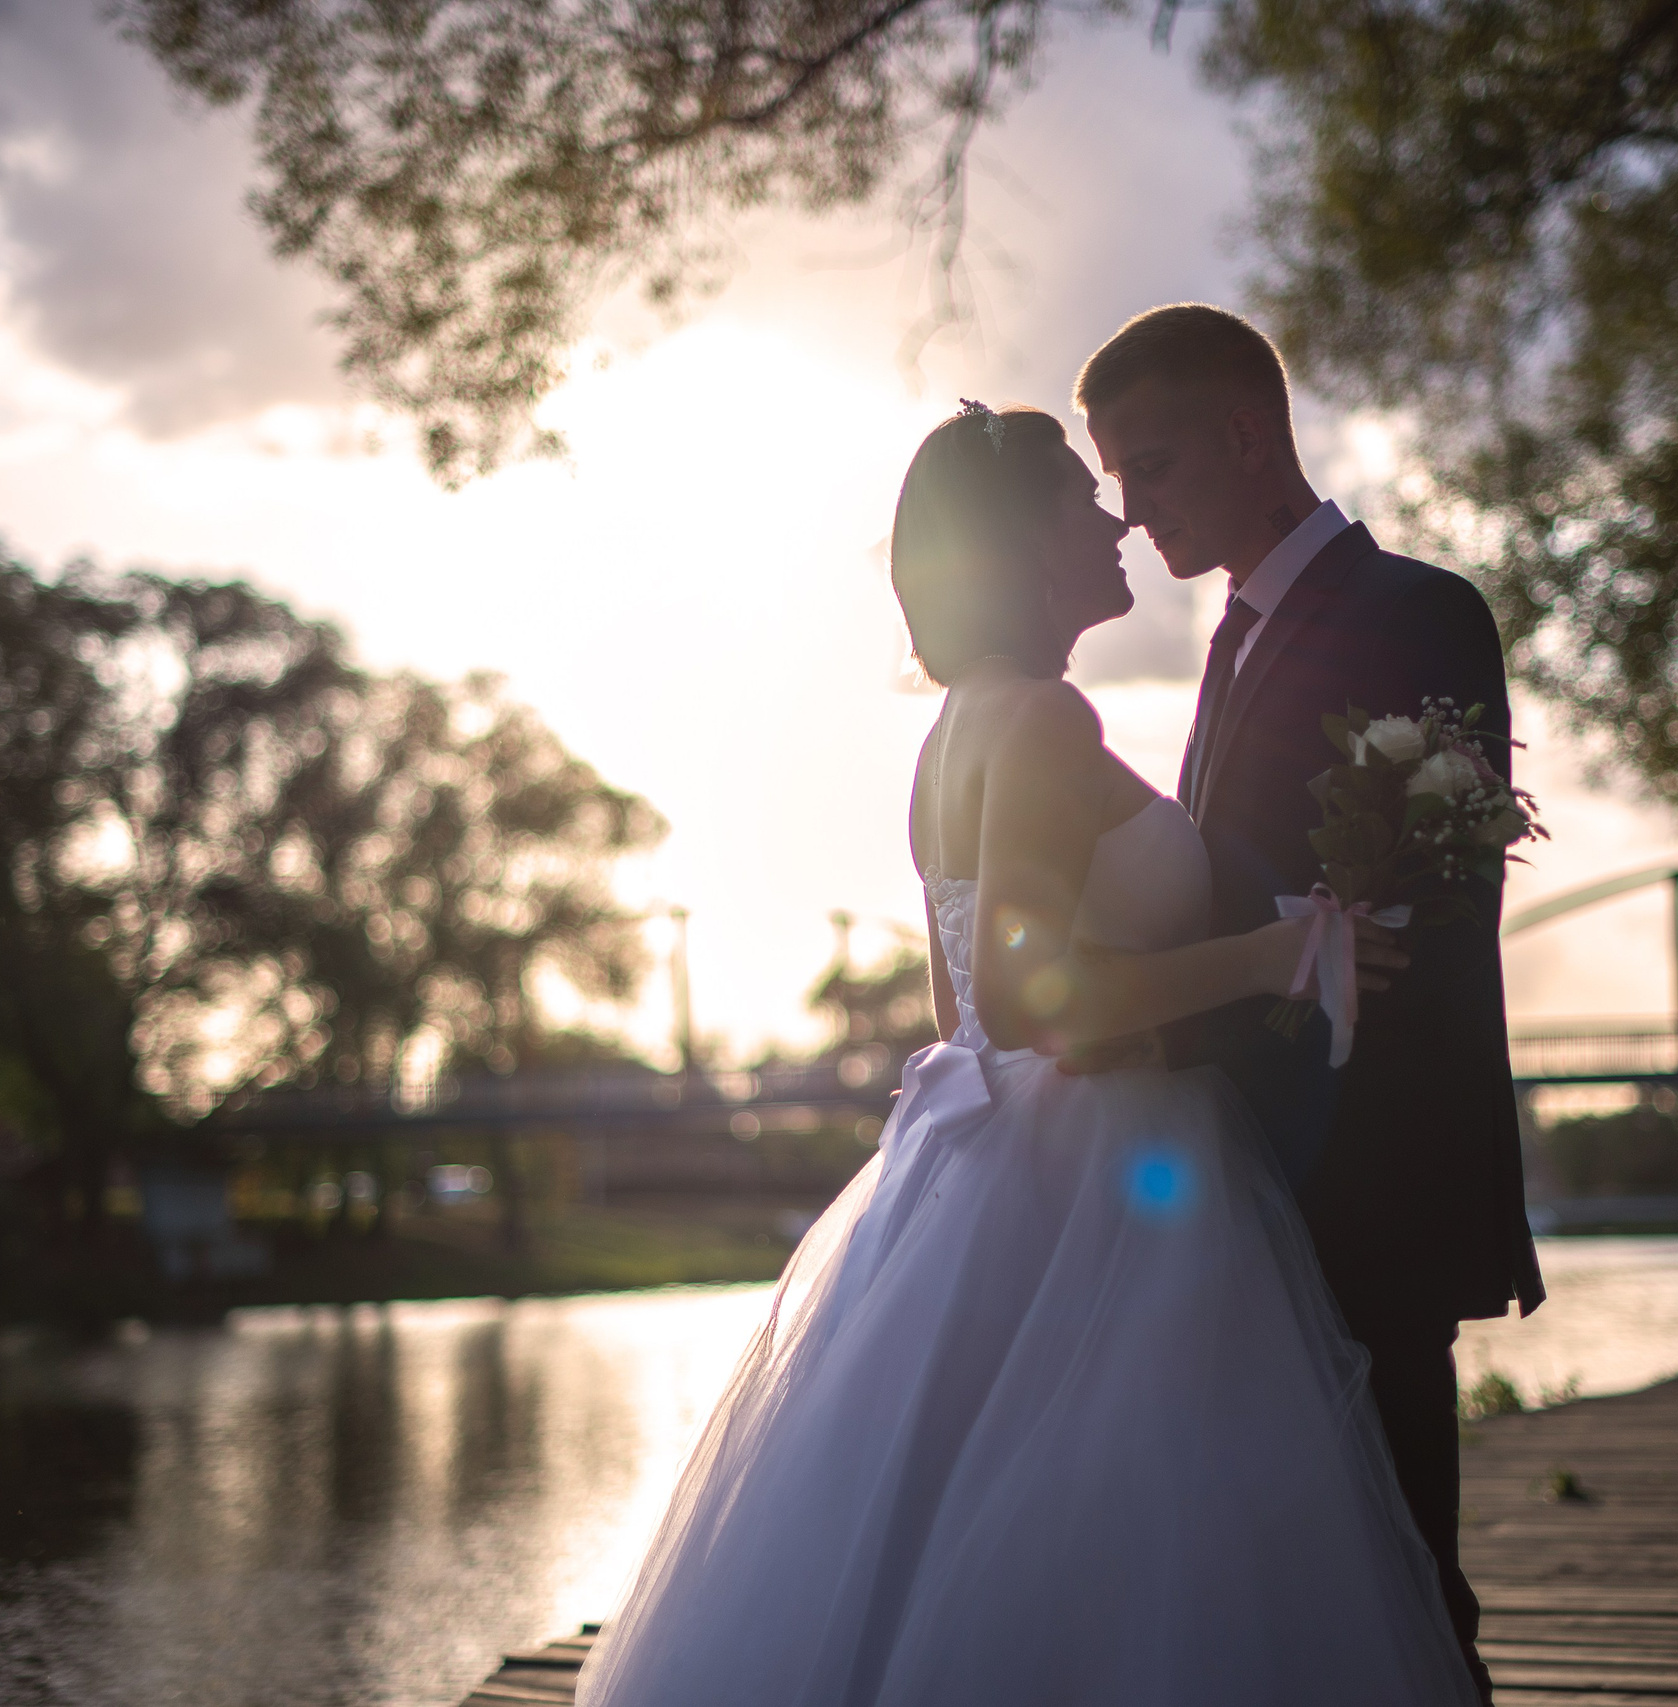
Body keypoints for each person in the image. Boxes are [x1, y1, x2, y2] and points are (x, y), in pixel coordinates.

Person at [573, 402, 1479, 1707]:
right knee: (1134, 1541)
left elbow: (961, 1019)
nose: (1112, 519)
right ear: (1018, 547)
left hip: (990, 1170)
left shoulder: (956, 730)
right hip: (1104, 1189)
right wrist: (1274, 958)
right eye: (1076, 496)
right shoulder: (1043, 722)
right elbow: (1027, 1000)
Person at [1078, 303, 1546, 1699]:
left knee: (1409, 1573)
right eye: (1113, 480)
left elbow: (1439, 912)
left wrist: (1255, 965)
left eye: (1150, 467)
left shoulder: (1416, 610)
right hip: (1254, 1177)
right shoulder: (1233, 635)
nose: (1130, 509)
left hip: (1372, 1178)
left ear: (1241, 431)